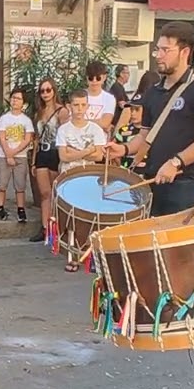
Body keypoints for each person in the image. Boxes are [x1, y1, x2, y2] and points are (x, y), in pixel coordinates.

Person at [105, 22, 194, 215]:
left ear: (185, 52)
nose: (158, 55)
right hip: (153, 180)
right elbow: (145, 136)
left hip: (185, 183)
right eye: (157, 50)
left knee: (176, 243)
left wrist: (176, 162)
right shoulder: (154, 91)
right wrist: (123, 149)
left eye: (166, 50)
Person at [56, 89, 108, 272]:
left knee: (93, 217)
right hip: (69, 178)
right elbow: (63, 155)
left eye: (83, 105)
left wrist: (74, 152)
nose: (79, 109)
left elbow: (99, 155)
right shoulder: (64, 130)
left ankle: (92, 256)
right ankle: (72, 256)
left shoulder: (95, 129)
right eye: (76, 105)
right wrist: (87, 151)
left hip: (90, 178)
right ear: (70, 106)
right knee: (72, 219)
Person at [29, 77, 67, 243]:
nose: (45, 94)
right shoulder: (39, 112)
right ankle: (44, 227)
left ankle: (56, 227)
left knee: (55, 192)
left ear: (54, 91)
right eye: (42, 91)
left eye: (48, 90)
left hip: (55, 152)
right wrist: (33, 161)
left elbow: (66, 133)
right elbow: (36, 138)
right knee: (44, 193)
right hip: (42, 153)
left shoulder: (62, 111)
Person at [0, 88, 33, 223]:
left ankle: (20, 210)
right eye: (13, 98)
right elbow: (2, 137)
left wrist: (14, 152)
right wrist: (8, 154)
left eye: (18, 98)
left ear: (24, 103)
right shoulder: (4, 118)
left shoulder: (26, 120)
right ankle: (0, 207)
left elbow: (27, 139)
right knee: (2, 184)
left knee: (20, 185)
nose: (15, 100)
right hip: (4, 155)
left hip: (20, 156)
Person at [82, 61, 116, 134]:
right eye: (91, 78)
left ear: (104, 77)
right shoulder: (79, 95)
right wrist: (98, 122)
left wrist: (81, 121)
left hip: (100, 141)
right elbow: (71, 120)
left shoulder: (109, 98)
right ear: (86, 78)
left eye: (98, 78)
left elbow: (105, 123)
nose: (94, 81)